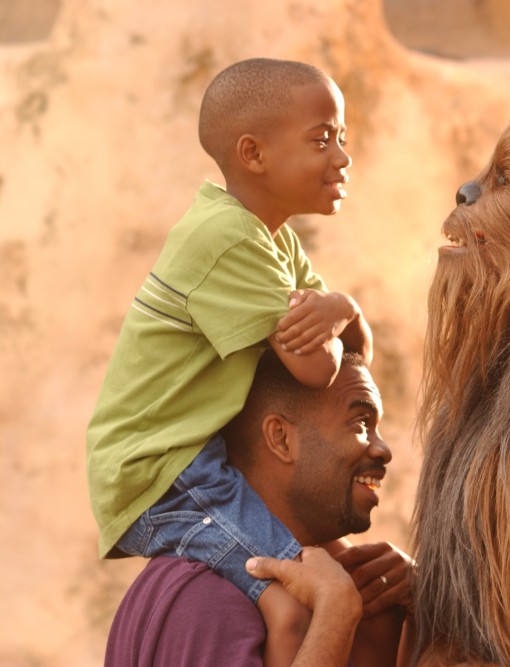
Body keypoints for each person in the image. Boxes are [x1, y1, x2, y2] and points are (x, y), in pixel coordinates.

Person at [87, 57, 372, 666]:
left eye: (343, 139)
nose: (342, 157)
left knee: (330, 566)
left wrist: (340, 311)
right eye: (322, 139)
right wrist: (341, 305)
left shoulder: (275, 240)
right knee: (296, 605)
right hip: (166, 471)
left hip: (192, 460)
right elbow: (318, 372)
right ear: (254, 154)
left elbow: (350, 354)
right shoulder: (225, 240)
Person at [105, 352, 414, 666]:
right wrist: (335, 613)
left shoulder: (347, 589)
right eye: (360, 423)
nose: (383, 449)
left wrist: (424, 606)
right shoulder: (206, 599)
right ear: (280, 438)